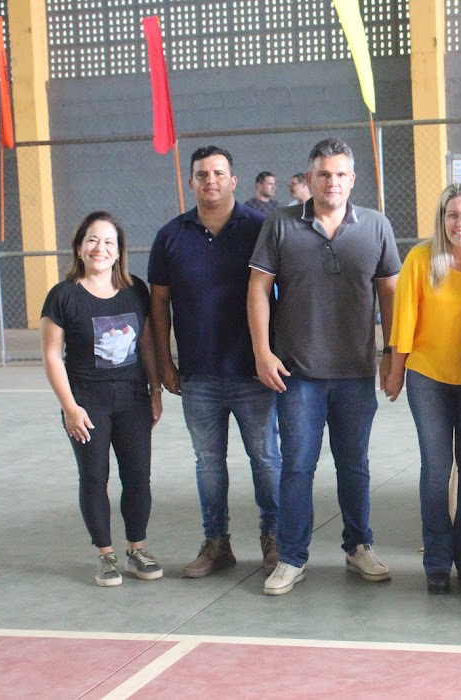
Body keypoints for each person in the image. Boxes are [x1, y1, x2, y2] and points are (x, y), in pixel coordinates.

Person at [248, 138, 400, 596]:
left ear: (352, 179)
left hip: (355, 373)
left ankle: (359, 546)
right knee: (297, 467)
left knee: (355, 465)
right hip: (297, 374)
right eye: (323, 175)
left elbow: (391, 294)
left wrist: (392, 354)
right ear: (309, 179)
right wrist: (262, 352)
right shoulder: (280, 224)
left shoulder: (376, 226)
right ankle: (292, 557)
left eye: (340, 175)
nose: (332, 182)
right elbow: (258, 290)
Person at [149, 145, 281, 579]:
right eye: (202, 174)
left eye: (219, 173)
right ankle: (216, 542)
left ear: (233, 180)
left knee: (266, 459)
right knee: (208, 463)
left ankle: (275, 538)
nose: (211, 181)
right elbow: (159, 303)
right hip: (198, 374)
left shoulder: (260, 228)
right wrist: (165, 362)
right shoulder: (171, 236)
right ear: (191, 182)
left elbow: (281, 293)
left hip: (254, 373)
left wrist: (273, 355)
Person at [41, 211, 164, 586]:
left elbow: (146, 343)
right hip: (87, 403)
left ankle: (136, 549)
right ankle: (105, 555)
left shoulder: (135, 290)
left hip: (133, 399)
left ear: (119, 250)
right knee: (94, 477)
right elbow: (52, 356)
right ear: (79, 247)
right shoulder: (63, 296)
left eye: (109, 241)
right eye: (92, 240)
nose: (101, 248)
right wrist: (70, 407)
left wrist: (155, 390)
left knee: (138, 477)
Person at [386, 182, 461, 595]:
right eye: (453, 215)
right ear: (442, 219)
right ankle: (436, 560)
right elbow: (404, 319)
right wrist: (396, 370)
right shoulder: (420, 258)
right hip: (428, 376)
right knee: (435, 469)